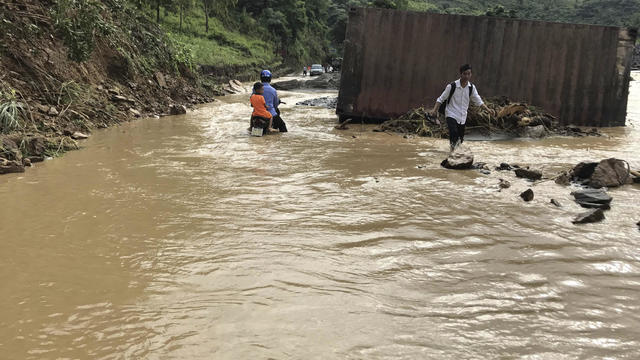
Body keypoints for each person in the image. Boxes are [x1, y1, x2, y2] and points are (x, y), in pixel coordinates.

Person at [430, 64, 493, 151]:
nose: (467, 76)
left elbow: (478, 100)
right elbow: (440, 99)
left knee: (460, 139)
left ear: (471, 74)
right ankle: (452, 154)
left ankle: (455, 151)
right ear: (461, 74)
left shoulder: (471, 88)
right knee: (453, 132)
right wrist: (434, 111)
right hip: (451, 113)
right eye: (465, 74)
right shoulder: (452, 86)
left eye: (469, 74)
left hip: (462, 116)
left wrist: (488, 110)